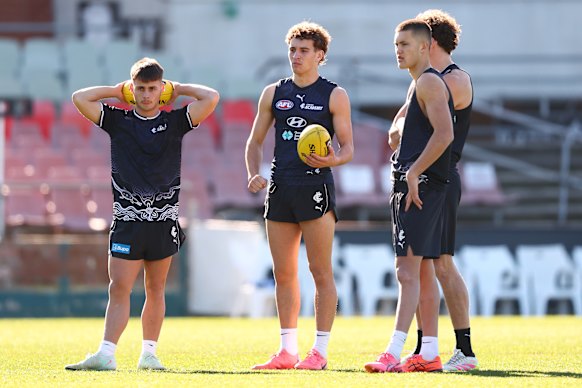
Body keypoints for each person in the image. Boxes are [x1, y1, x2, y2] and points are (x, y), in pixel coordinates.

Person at [65, 57, 219, 371]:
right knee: (118, 287)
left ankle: (149, 354)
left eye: (152, 88)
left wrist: (178, 89)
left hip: (162, 221)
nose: (146, 94)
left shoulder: (176, 121)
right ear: (132, 89)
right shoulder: (118, 120)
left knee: (155, 288)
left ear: (161, 89)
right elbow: (79, 98)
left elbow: (211, 97)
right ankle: (106, 354)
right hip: (127, 220)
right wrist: (115, 91)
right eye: (140, 88)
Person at [246, 21, 353, 370]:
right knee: (284, 274)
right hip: (280, 187)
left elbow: (348, 147)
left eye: (304, 50)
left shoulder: (334, 94)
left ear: (320, 55)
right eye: (292, 49)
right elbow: (255, 141)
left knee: (320, 271)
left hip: (315, 187)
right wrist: (253, 172)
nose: (296, 56)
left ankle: (319, 352)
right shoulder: (274, 92)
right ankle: (287, 351)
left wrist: (333, 159)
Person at [364, 19, 454, 373]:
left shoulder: (430, 81)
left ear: (424, 47)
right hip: (414, 182)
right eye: (395, 44)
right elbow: (406, 127)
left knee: (406, 270)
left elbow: (445, 133)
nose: (397, 50)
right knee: (424, 271)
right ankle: (429, 352)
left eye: (404, 44)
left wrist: (414, 171)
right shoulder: (418, 84)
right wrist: (399, 130)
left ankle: (393, 350)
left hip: (420, 186)